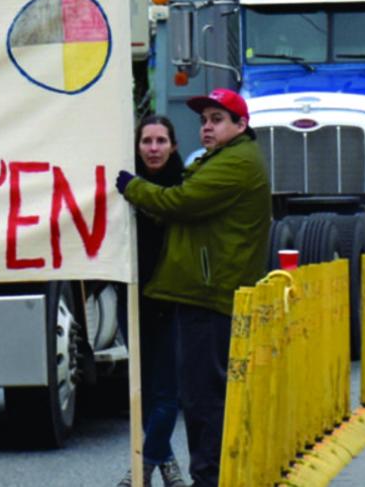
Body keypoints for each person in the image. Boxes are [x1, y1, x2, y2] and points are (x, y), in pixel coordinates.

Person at [116, 88, 270, 487]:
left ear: (241, 125)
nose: (207, 127)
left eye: (217, 119)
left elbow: (182, 202)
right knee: (194, 394)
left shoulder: (235, 163)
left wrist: (131, 188)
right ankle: (192, 470)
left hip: (211, 291)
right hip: (201, 290)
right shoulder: (218, 159)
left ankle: (208, 477)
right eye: (204, 120)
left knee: (203, 398)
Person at [117, 115, 188, 487]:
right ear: (137, 145)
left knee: (167, 393)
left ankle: (140, 471)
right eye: (147, 141)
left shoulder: (185, 185)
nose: (154, 148)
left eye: (161, 141)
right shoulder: (123, 184)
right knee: (142, 393)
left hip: (170, 299)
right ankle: (168, 465)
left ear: (173, 145)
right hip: (132, 298)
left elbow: (173, 210)